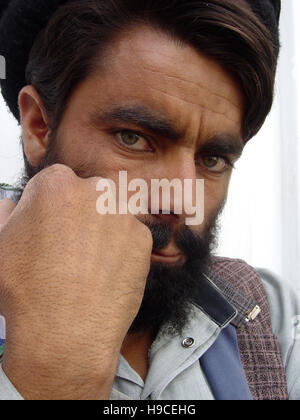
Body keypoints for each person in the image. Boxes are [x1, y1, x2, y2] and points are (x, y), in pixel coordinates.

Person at [0, 0, 299, 400]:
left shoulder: (266, 317)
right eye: (134, 138)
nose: (182, 200)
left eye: (212, 159)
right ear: (39, 127)